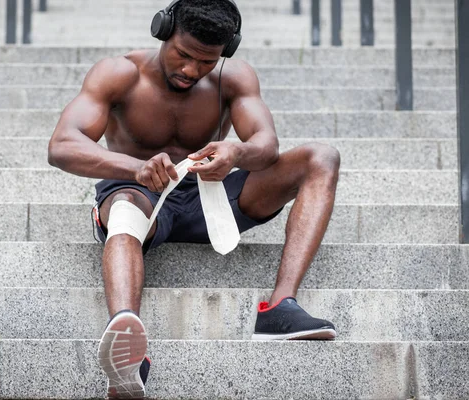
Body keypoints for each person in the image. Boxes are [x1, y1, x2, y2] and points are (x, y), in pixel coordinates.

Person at [48, 0, 340, 397]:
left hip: (212, 197)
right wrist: (133, 168)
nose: (191, 70)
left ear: (226, 51)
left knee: (321, 158)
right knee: (124, 211)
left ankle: (281, 307)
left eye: (206, 62)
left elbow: (267, 145)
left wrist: (237, 153)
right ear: (163, 29)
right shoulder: (120, 73)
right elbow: (62, 145)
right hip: (140, 194)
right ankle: (126, 344)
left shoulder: (232, 77)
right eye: (183, 54)